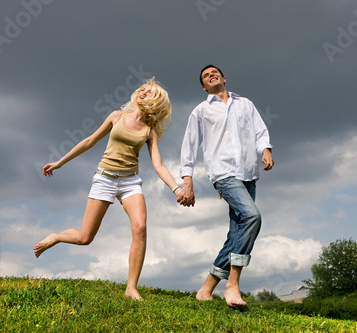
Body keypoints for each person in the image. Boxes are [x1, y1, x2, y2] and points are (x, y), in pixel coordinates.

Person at [33, 77, 183, 301]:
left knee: (140, 228)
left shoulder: (150, 131)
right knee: (85, 238)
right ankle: (56, 237)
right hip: (104, 178)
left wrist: (176, 189)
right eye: (142, 88)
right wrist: (59, 162)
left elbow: (158, 164)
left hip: (130, 182)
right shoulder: (117, 116)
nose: (143, 91)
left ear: (156, 101)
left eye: (149, 91)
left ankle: (131, 288)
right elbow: (89, 141)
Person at [179, 65, 274, 309]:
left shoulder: (245, 104)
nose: (211, 75)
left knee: (236, 234)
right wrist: (187, 179)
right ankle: (233, 283)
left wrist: (265, 150)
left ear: (223, 77)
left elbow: (260, 130)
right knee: (252, 216)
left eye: (214, 72)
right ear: (204, 86)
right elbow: (189, 145)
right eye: (205, 76)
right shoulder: (200, 111)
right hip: (223, 174)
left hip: (248, 173)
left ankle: (206, 289)